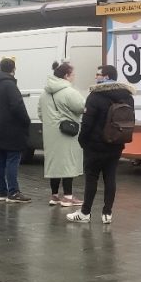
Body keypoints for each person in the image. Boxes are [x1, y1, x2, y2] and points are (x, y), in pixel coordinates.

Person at [67, 65, 134, 224]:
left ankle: (85, 213)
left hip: (95, 146)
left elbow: (87, 123)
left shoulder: (95, 96)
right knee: (110, 177)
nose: (96, 77)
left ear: (106, 76)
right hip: (116, 144)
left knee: (91, 178)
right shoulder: (128, 96)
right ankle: (107, 214)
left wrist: (82, 141)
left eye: (98, 74)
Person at [38, 62, 86, 207]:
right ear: (66, 76)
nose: (74, 77)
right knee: (67, 164)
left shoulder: (44, 93)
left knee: (55, 164)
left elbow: (40, 114)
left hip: (50, 134)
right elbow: (82, 107)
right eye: (72, 74)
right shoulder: (69, 92)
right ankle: (68, 197)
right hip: (67, 133)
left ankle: (54, 196)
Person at [0, 57, 31, 203]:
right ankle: (13, 192)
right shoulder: (10, 85)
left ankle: (1, 192)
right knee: (13, 159)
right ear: (13, 69)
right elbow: (17, 106)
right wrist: (26, 121)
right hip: (12, 130)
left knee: (0, 159)